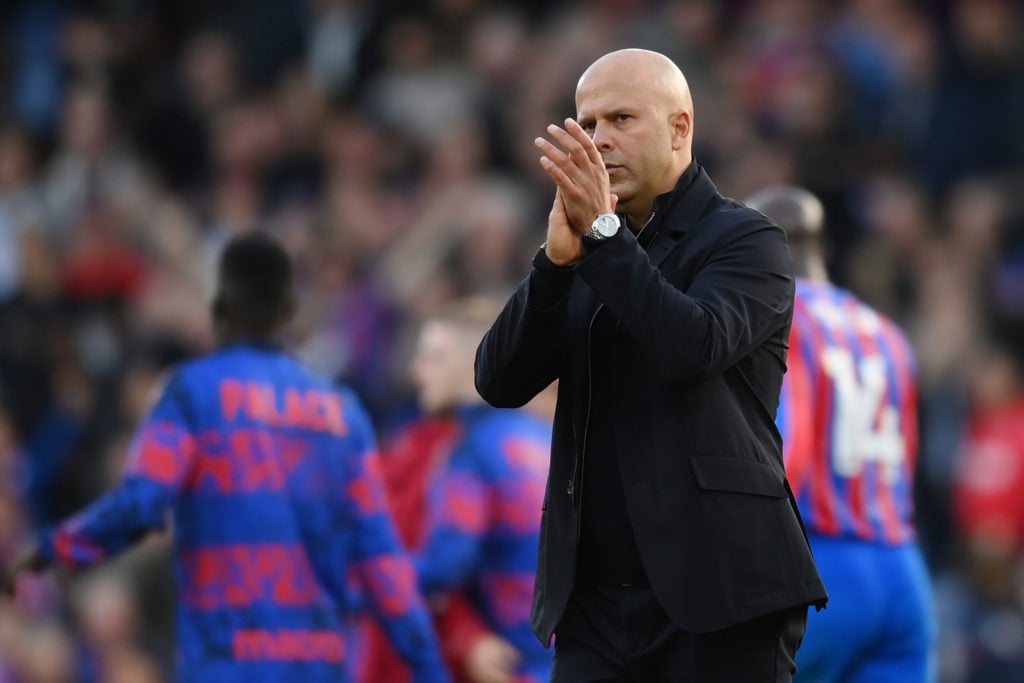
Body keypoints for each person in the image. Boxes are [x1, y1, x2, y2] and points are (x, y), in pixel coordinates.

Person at [474, 48, 827, 682]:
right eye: (588, 124)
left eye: (622, 118)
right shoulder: (588, 245)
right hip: (596, 606)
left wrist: (604, 238)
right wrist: (553, 269)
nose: (599, 140)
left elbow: (691, 348)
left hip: (721, 595)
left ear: (680, 128)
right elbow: (498, 381)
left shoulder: (747, 239)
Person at [2, 231, 451, 683]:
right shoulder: (342, 413)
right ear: (288, 312)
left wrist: (52, 546)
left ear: (220, 310)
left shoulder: (190, 396)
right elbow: (382, 563)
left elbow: (139, 507)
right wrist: (432, 671)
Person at [746, 185, 935, 682]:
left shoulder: (775, 319)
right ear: (821, 248)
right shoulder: (884, 330)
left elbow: (783, 451)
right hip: (900, 564)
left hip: (819, 564)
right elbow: (908, 455)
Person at [412, 297, 554, 683]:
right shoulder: (546, 439)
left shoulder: (473, 452)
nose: (417, 372)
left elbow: (447, 563)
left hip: (512, 666)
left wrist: (367, 576)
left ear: (466, 364)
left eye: (433, 357)